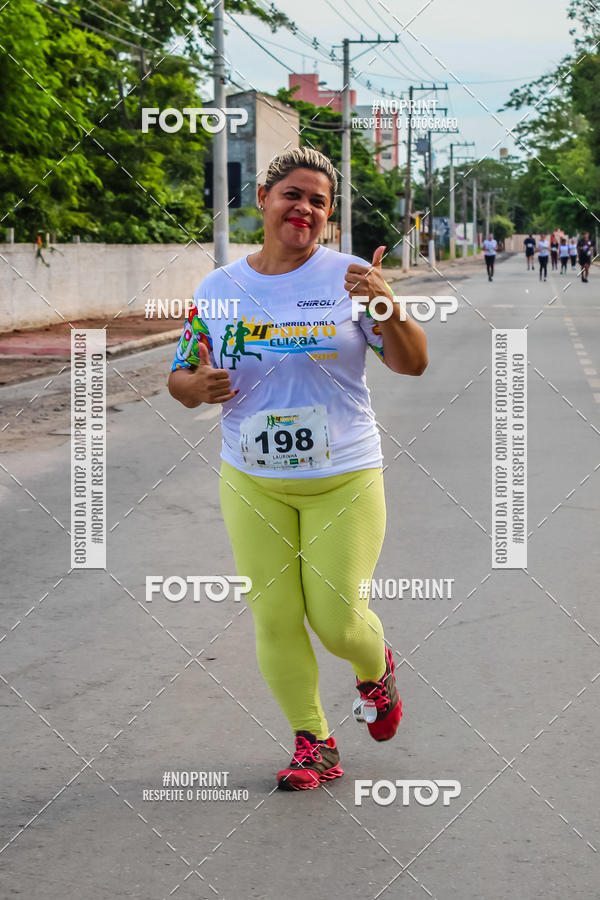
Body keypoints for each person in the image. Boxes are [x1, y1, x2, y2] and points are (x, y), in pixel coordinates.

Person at [167, 147, 428, 791]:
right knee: (276, 617)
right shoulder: (218, 289)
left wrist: (388, 303)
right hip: (251, 478)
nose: (303, 209)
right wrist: (195, 387)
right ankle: (314, 741)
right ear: (262, 199)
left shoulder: (353, 279)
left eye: (317, 200)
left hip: (344, 473)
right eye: (291, 194)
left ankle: (376, 669)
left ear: (328, 214)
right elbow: (178, 376)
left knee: (338, 621)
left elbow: (413, 363)